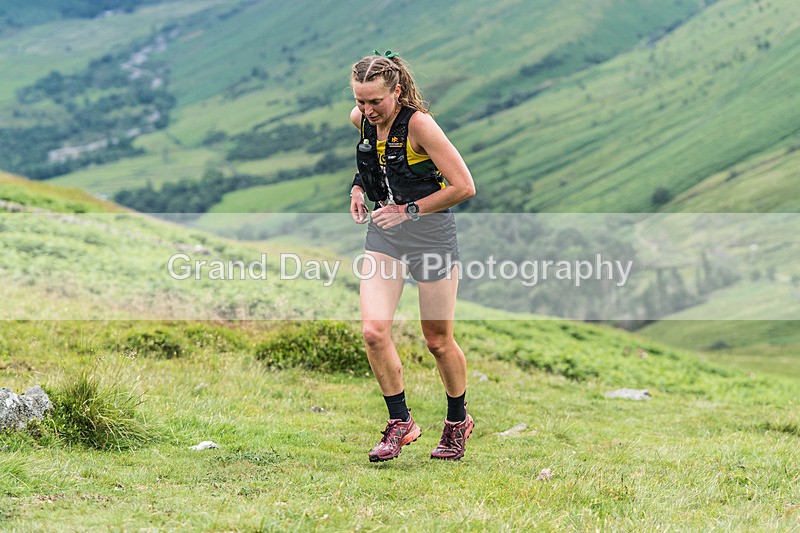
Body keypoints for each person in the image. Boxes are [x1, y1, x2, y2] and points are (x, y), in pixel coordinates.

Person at [348, 50, 477, 462]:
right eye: (360, 101)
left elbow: (463, 186)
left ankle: (457, 421)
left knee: (437, 340)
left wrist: (409, 210)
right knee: (373, 331)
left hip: (432, 237)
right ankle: (400, 421)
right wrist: (356, 189)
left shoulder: (420, 126)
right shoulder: (361, 121)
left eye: (375, 102)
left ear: (397, 92)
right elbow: (372, 163)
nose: (366, 110)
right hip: (385, 237)